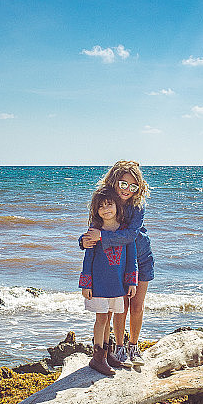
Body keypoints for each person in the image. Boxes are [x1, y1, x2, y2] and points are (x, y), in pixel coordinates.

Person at [80, 161, 152, 367]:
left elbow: (130, 235)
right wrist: (84, 241)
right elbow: (94, 229)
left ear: (139, 187)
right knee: (118, 308)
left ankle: (134, 347)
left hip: (141, 258)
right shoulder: (107, 202)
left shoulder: (138, 205)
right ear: (114, 181)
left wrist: (101, 237)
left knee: (136, 306)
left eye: (133, 186)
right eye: (123, 184)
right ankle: (118, 348)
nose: (127, 190)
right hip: (116, 264)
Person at [79, 187, 138, 376]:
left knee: (110, 316)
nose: (106, 209)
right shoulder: (94, 233)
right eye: (101, 206)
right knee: (101, 318)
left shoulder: (124, 233)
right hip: (98, 285)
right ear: (96, 210)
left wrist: (131, 282)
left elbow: (131, 259)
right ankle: (97, 358)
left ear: (117, 207)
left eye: (109, 204)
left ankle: (107, 353)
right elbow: (87, 260)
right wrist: (86, 284)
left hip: (116, 285)